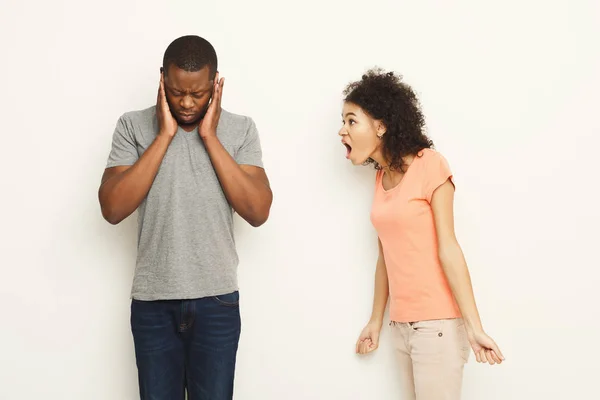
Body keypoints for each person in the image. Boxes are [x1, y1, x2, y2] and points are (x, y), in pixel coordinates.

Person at [98, 35, 272, 400]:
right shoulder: (133, 126)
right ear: (162, 79)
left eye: (198, 93)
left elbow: (257, 211)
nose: (188, 103)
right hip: (153, 303)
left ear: (216, 83)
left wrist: (209, 136)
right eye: (177, 93)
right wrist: (164, 136)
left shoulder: (241, 129)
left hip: (217, 302)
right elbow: (112, 208)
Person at [340, 68, 504, 400]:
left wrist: (474, 328)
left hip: (437, 327)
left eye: (351, 121)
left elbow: (449, 248)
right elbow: (386, 256)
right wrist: (376, 320)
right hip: (401, 327)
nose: (342, 130)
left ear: (381, 126)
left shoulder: (430, 165)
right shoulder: (381, 179)